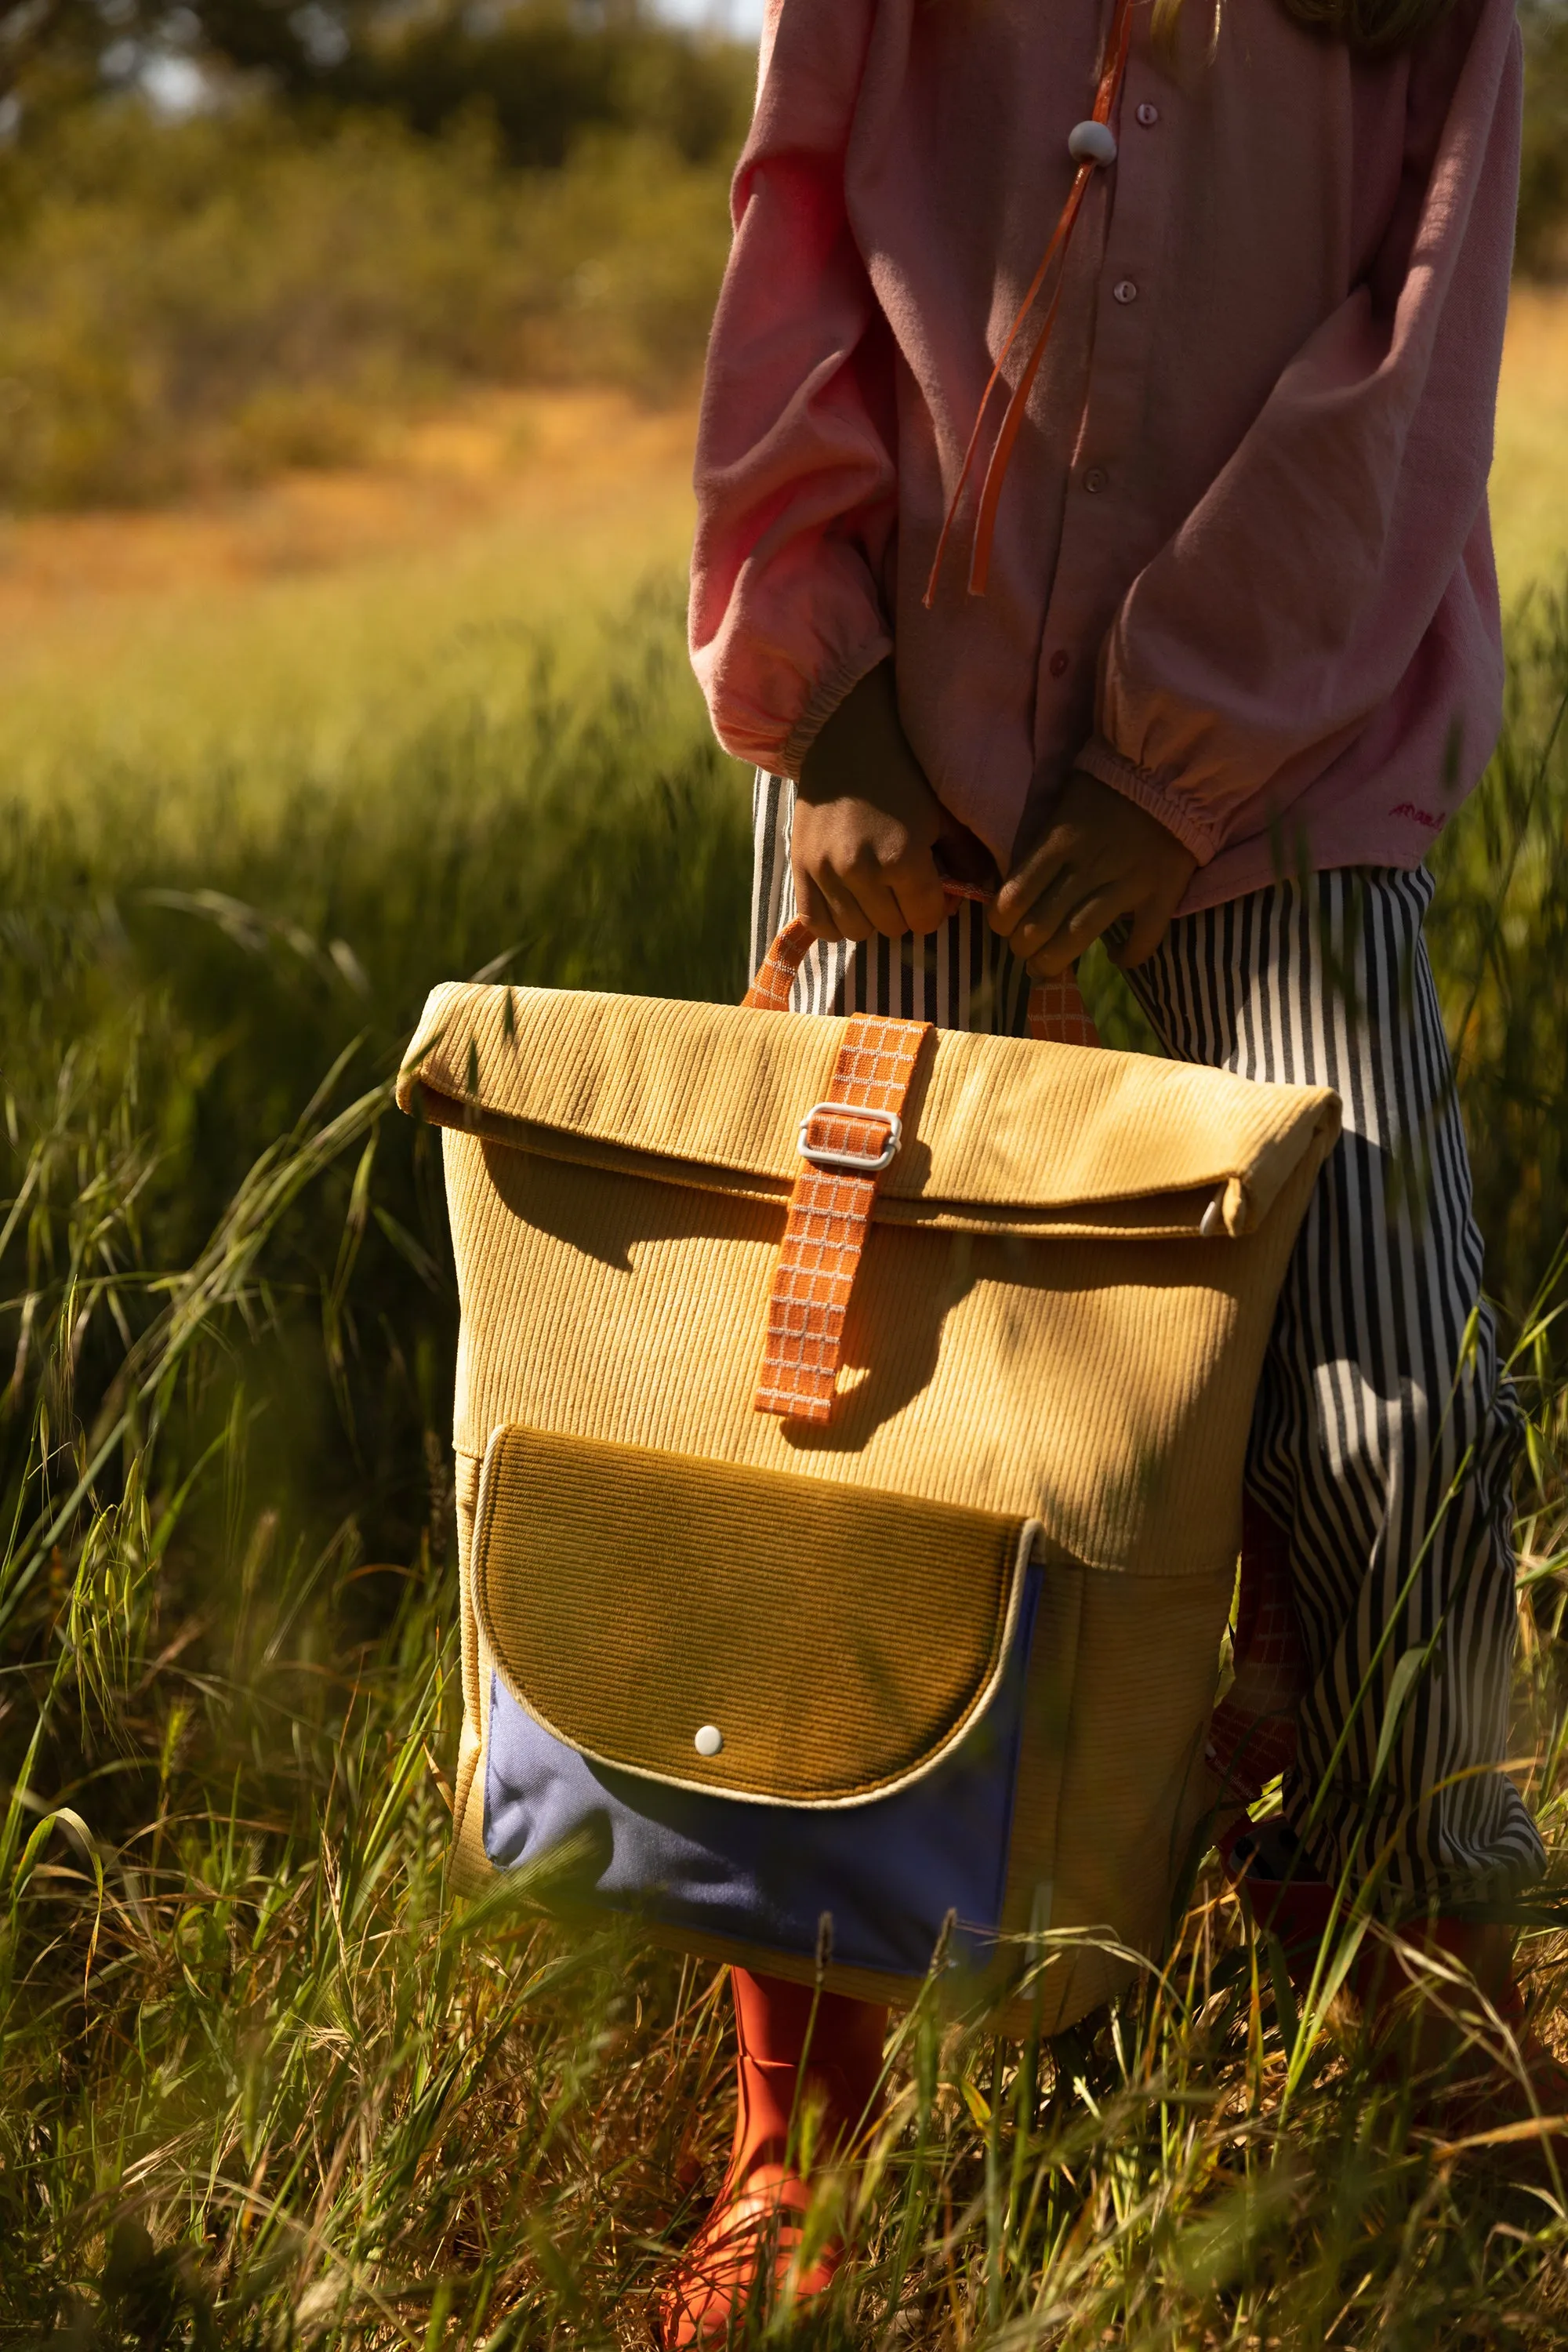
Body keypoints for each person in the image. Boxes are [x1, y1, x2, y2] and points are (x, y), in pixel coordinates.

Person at [666, 0, 1555, 2335]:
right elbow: (794, 237)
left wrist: (1175, 753)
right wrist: (819, 674)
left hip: (1282, 741)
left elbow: (1417, 342)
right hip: (896, 751)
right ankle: (802, 2128)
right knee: (833, 1429)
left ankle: (1417, 2024)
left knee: (1396, 1429)